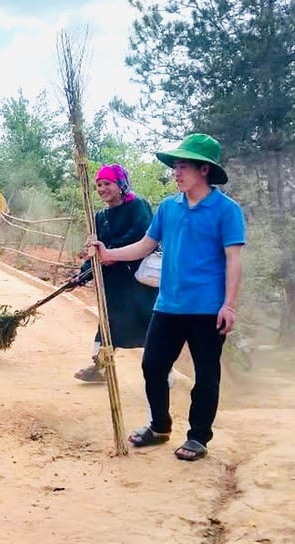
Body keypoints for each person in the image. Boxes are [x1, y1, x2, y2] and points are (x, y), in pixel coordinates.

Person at [91, 134, 245, 461]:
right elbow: (145, 246)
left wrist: (229, 305)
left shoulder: (226, 211)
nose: (176, 172)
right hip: (167, 305)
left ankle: (198, 437)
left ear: (204, 170)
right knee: (153, 366)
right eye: (175, 166)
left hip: (207, 309)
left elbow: (234, 259)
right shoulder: (168, 208)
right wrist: (109, 253)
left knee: (206, 375)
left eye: (183, 166)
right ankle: (159, 426)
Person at [72, 164, 159, 382]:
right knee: (109, 322)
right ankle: (99, 368)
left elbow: (141, 236)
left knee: (150, 323)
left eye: (107, 183)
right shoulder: (100, 217)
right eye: (99, 185)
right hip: (113, 282)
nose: (102, 188)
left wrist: (111, 254)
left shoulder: (138, 206)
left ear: (120, 185)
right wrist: (83, 274)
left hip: (138, 280)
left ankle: (163, 371)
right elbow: (98, 250)